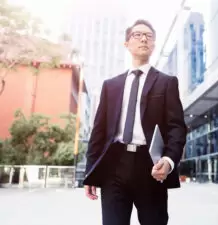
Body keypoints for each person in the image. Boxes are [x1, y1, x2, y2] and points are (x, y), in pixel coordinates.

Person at [83, 19, 187, 225]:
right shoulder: (110, 86)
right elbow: (99, 131)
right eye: (137, 35)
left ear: (154, 44)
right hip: (114, 165)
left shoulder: (167, 82)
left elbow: (177, 127)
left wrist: (168, 160)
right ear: (127, 44)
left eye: (148, 36)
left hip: (151, 167)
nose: (143, 39)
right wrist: (90, 173)